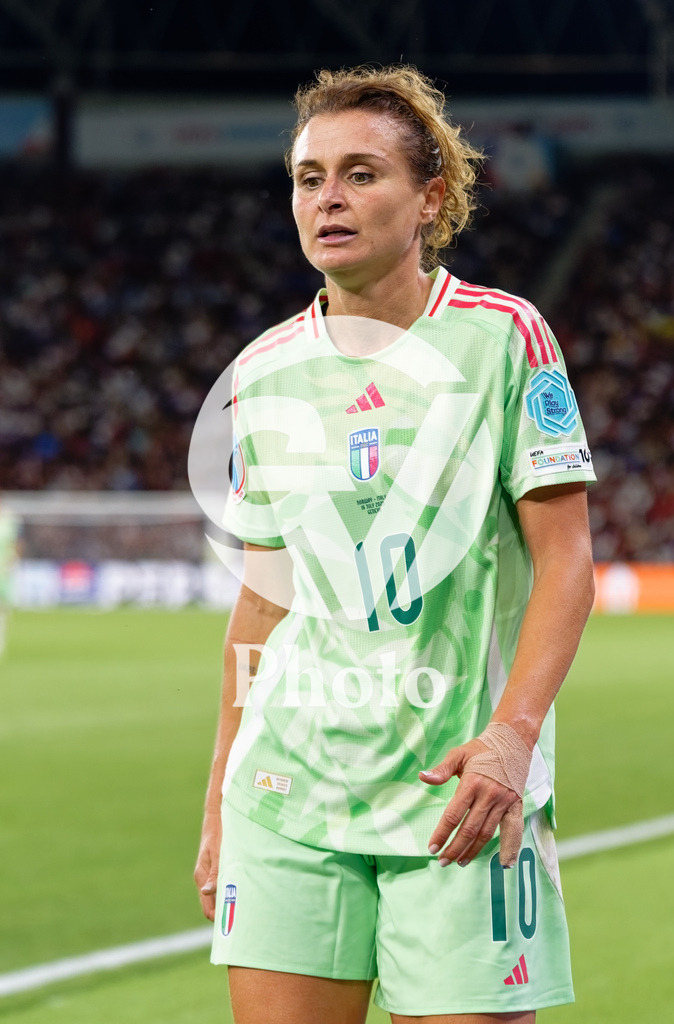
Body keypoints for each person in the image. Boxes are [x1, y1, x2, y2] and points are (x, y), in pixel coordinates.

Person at [194, 64, 596, 1024]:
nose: (327, 197)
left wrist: (510, 739)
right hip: (286, 797)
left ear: (431, 197)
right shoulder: (261, 372)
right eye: (307, 176)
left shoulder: (502, 337)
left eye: (361, 173)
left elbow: (566, 562)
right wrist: (218, 795)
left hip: (459, 797)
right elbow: (263, 602)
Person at [0, 496, 20, 656]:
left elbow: (17, 544)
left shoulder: (9, 519)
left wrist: (14, 561)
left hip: (3, 572)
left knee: (2, 608)